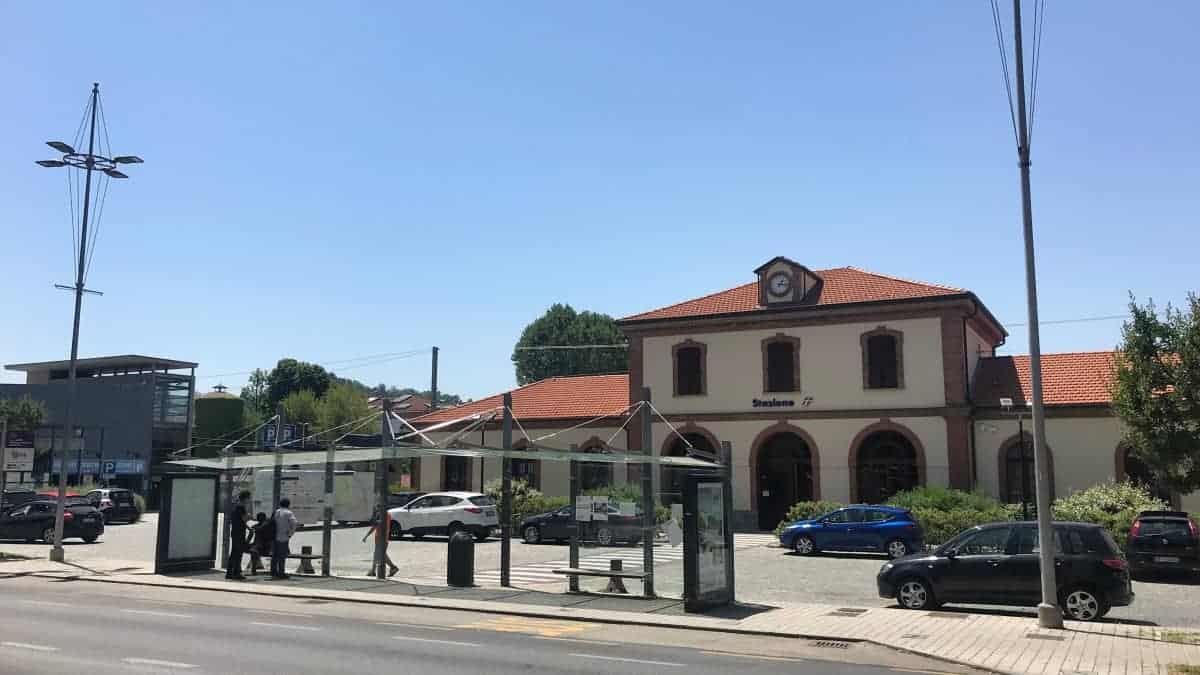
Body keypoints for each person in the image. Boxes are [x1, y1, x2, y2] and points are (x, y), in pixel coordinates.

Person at [362, 511, 399, 578]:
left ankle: (393, 567)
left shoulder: (381, 514)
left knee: (381, 554)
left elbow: (375, 526)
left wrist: (366, 536)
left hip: (380, 538)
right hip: (383, 537)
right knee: (377, 554)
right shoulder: (387, 514)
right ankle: (373, 571)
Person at [225, 490, 252, 580]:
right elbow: (245, 519)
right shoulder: (241, 507)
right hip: (239, 533)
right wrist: (249, 515)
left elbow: (239, 521)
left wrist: (248, 527)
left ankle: (230, 573)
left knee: (234, 553)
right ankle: (236, 573)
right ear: (246, 498)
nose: (249, 500)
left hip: (235, 532)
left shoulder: (236, 506)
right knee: (238, 553)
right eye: (249, 498)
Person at [270, 498, 298, 579]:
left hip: (274, 536)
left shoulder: (276, 512)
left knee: (275, 555)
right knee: (282, 556)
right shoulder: (289, 513)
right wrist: (290, 534)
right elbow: (294, 523)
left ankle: (273, 571)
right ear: (288, 505)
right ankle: (281, 572)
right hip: (284, 537)